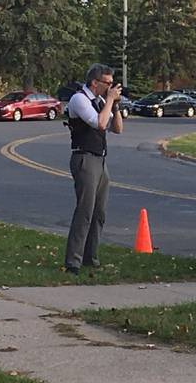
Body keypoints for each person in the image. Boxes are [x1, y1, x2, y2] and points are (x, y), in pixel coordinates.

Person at [63, 63, 124, 275]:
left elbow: (117, 129)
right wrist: (108, 101)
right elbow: (98, 123)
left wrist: (114, 105)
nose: (111, 87)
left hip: (100, 160)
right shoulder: (79, 99)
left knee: (99, 212)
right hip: (84, 158)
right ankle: (73, 261)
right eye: (107, 83)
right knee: (85, 211)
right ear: (95, 82)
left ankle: (91, 256)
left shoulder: (101, 102)